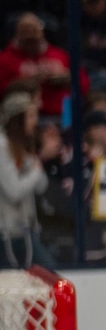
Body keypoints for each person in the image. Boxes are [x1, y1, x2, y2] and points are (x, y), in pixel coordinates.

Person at [0, 89, 51, 268]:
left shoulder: (21, 145)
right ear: (17, 118)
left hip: (25, 231)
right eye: (30, 116)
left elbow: (41, 186)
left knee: (49, 275)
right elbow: (14, 191)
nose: (35, 122)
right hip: (6, 234)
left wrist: (36, 163)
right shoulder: (2, 146)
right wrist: (35, 171)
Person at [0, 13, 81, 120]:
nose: (31, 40)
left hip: (63, 112)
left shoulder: (59, 55)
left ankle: (69, 129)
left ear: (41, 34)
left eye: (34, 35)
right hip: (27, 116)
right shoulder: (5, 59)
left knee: (72, 106)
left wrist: (68, 78)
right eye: (26, 37)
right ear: (17, 35)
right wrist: (25, 82)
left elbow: (83, 82)